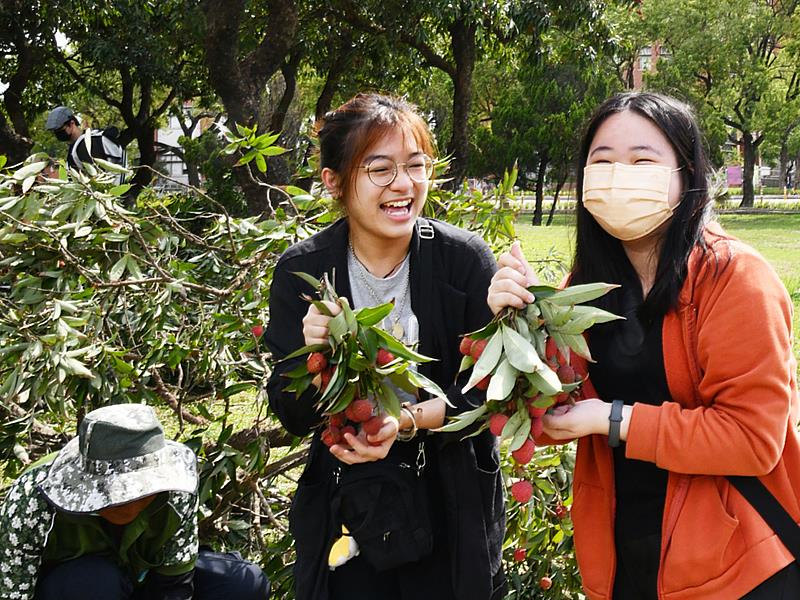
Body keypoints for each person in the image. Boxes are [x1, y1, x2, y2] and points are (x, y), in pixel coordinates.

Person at [488, 92, 800, 599]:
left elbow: (753, 439)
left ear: (686, 173)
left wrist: (614, 420)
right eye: (602, 161)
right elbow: (549, 419)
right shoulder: (588, 286)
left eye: (642, 161)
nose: (618, 176)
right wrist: (524, 324)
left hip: (735, 567)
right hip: (625, 557)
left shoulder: (735, 279)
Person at [265, 93, 505, 600]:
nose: (404, 184)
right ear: (334, 181)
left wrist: (412, 420)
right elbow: (291, 415)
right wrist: (315, 363)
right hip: (350, 509)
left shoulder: (464, 262)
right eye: (380, 169)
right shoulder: (304, 274)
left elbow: (493, 395)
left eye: (415, 166)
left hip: (451, 501)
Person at [0, 403, 270, 600]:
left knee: (242, 583)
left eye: (137, 493)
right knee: (95, 581)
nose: (125, 505)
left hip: (144, 579)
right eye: (114, 495)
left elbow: (175, 584)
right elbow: (13, 590)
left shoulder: (177, 490)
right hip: (78, 588)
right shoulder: (33, 498)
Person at [45, 105, 125, 173]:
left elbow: (96, 175)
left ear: (72, 123)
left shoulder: (85, 145)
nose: (57, 133)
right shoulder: (79, 145)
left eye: (60, 130)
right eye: (55, 131)